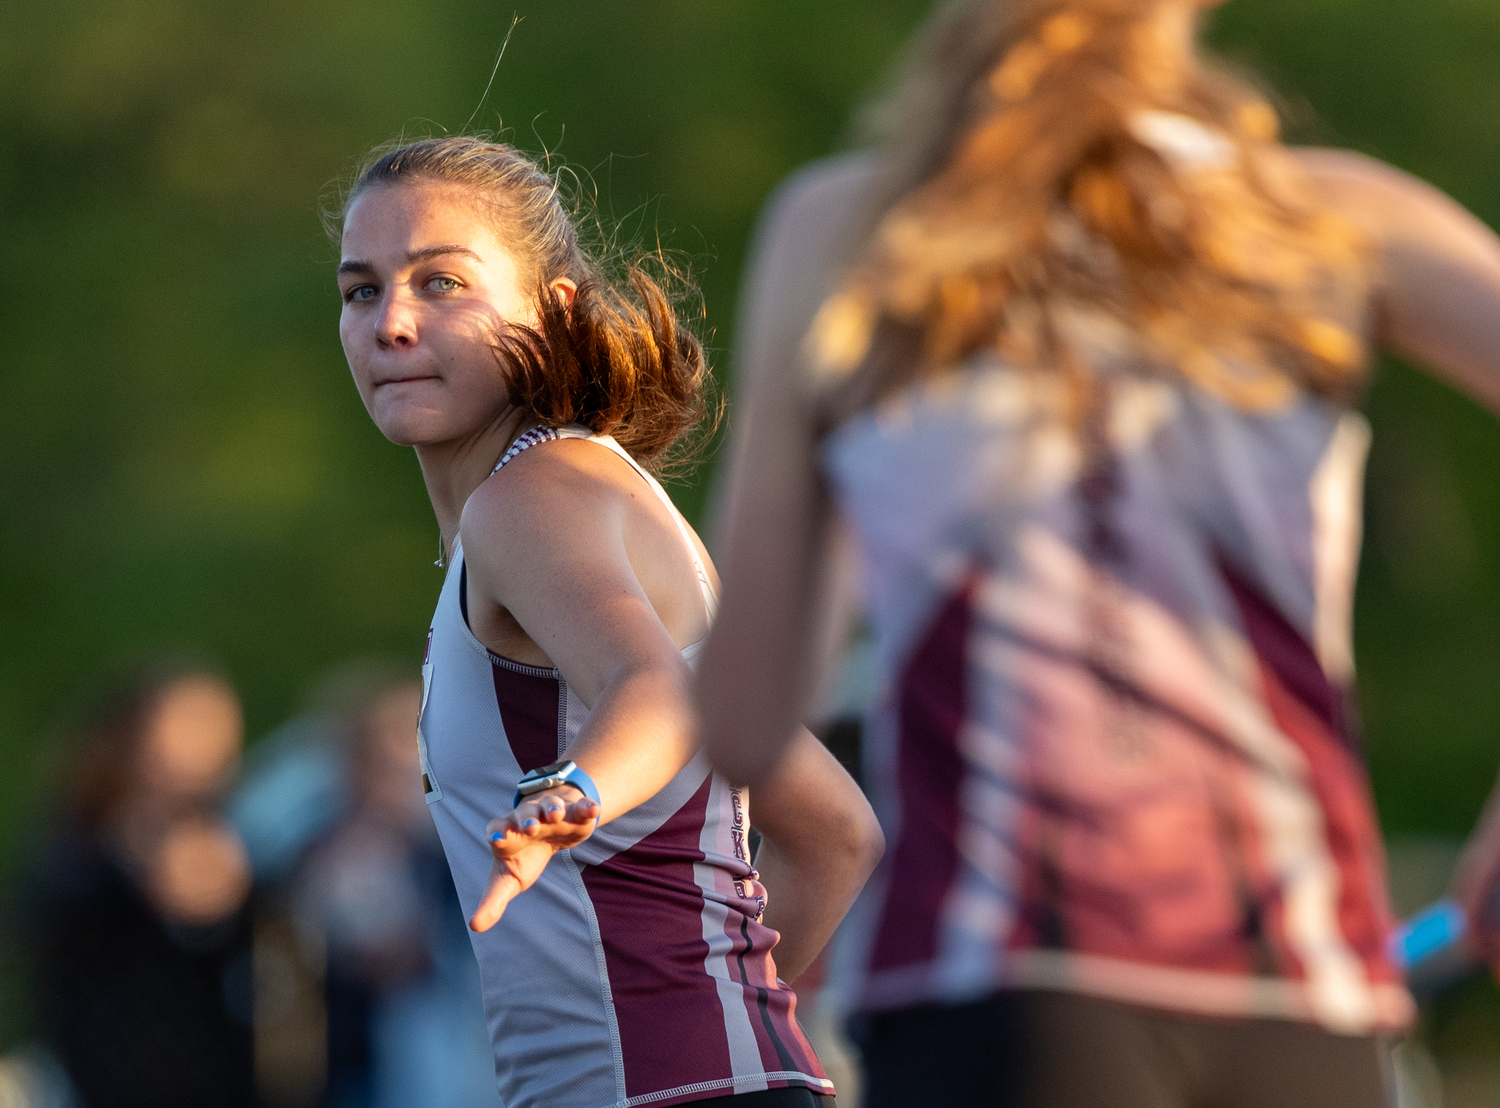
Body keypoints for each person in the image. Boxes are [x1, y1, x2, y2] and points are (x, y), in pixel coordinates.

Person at [697, 0, 1500, 1105]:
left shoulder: (849, 230)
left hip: (994, 982)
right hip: (1299, 980)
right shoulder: (1329, 218)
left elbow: (745, 715)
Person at [329, 135, 884, 1108]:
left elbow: (654, 690)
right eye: (361, 290)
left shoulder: (528, 498)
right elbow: (837, 831)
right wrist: (713, 1028)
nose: (393, 323)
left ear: (553, 310)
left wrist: (574, 792)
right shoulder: (588, 496)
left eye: (442, 282)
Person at [25, 660, 255, 1108]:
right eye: (190, 723)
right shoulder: (82, 833)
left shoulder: (238, 831)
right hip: (100, 1075)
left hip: (212, 1079)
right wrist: (135, 876)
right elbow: (42, 918)